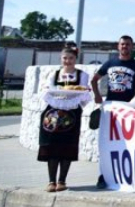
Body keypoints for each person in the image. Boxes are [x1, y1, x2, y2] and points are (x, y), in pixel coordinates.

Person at [91, 35, 135, 189]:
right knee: (106, 142)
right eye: (122, 44)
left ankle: (127, 173)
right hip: (111, 108)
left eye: (128, 44)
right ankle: (103, 175)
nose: (125, 47)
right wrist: (96, 95)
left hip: (128, 109)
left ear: (132, 46)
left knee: (129, 141)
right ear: (118, 46)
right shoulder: (110, 62)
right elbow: (94, 79)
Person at [39, 46, 90, 193]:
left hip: (72, 112)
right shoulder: (54, 75)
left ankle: (62, 180)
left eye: (71, 58)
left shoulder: (82, 75)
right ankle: (51, 180)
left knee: (67, 145)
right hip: (53, 112)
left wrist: (70, 99)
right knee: (52, 145)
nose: (68, 61)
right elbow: (47, 91)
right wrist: (60, 99)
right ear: (61, 59)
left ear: (76, 59)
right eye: (65, 58)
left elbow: (83, 93)